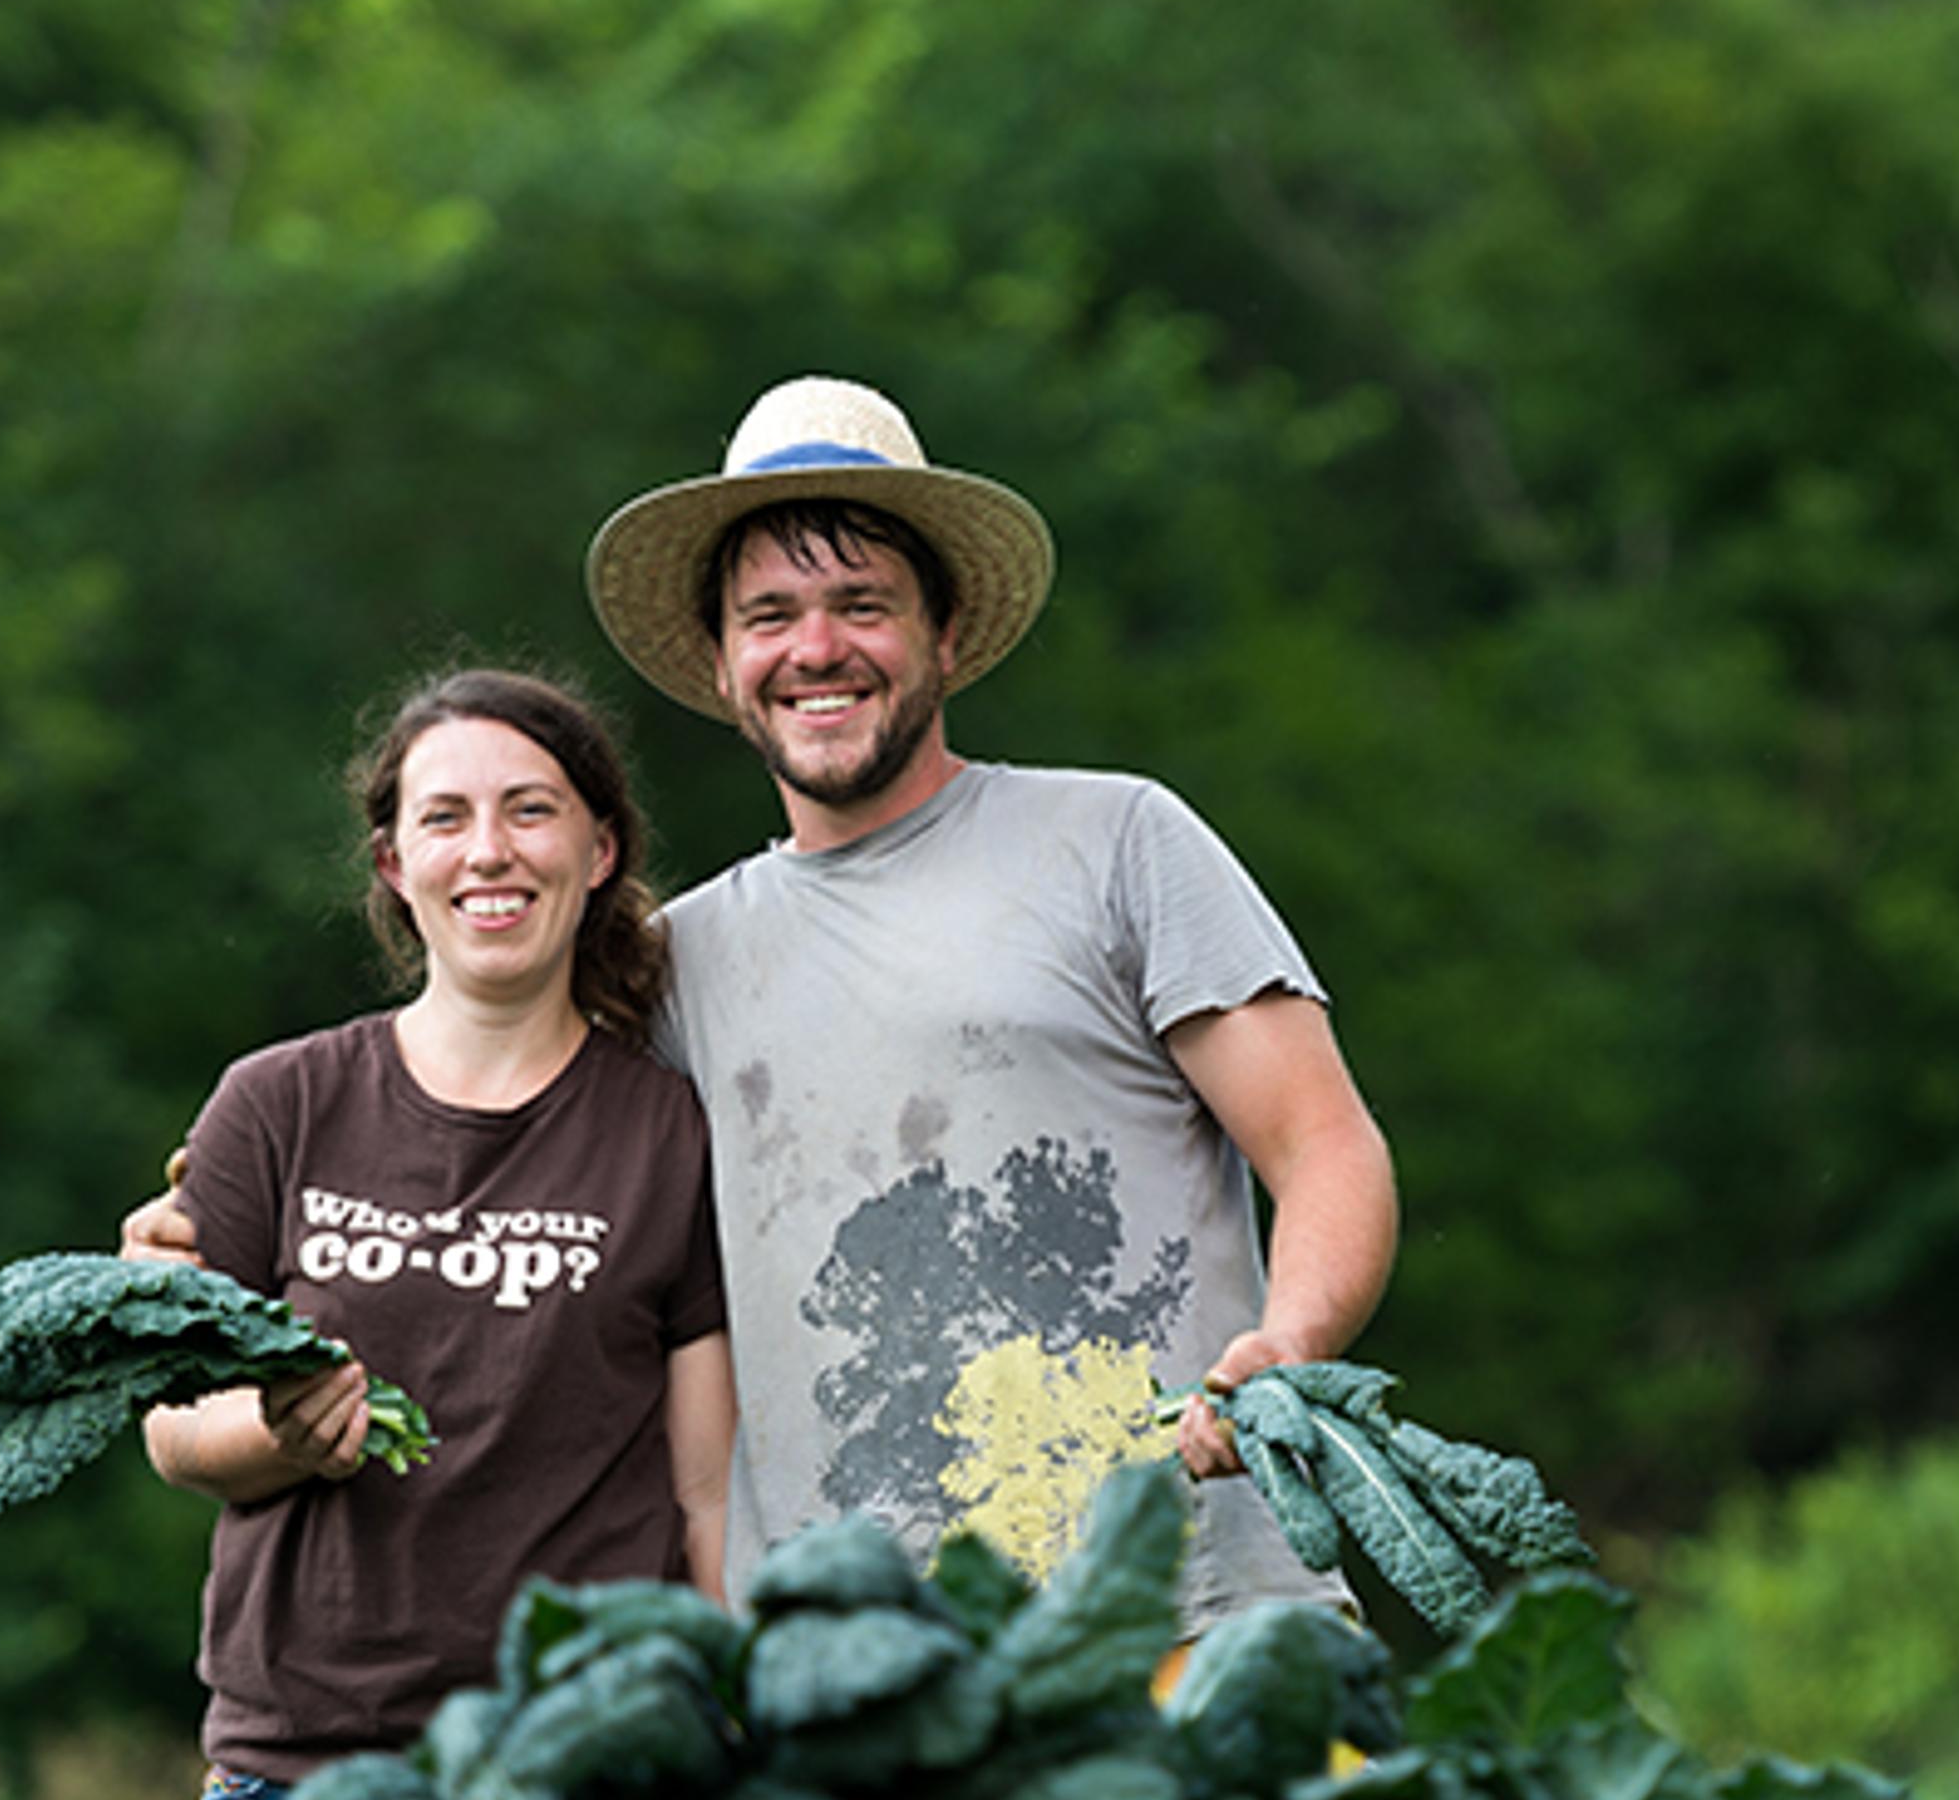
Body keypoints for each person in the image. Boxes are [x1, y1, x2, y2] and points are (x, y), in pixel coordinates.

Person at [54, 666, 731, 1800]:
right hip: (302, 1793)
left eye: (530, 810)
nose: (488, 849)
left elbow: (710, 1496)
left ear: (599, 852)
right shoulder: (280, 1103)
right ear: (394, 862)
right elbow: (174, 1427)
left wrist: (732, 1768)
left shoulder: (671, 1134)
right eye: (446, 816)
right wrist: (281, 1436)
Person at [581, 374, 1398, 1626]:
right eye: (771, 615)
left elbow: (1324, 1142)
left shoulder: (1117, 840)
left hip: (1189, 1616)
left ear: (947, 631)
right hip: (864, 1667)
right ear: (722, 661)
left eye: (863, 604)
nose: (816, 649)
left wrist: (1287, 1347)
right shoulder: (673, 965)